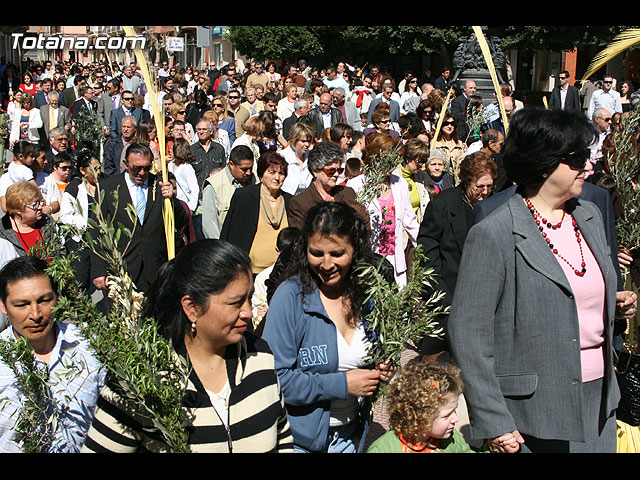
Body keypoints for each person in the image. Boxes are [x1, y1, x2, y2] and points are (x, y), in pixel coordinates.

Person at [448, 107, 638, 453]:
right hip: (532, 418)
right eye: (578, 157)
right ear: (544, 163)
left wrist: (611, 303)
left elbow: (569, 296)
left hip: (598, 404)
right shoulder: (495, 233)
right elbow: (468, 334)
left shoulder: (590, 216)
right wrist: (494, 421)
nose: (589, 166)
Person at [83, 239, 293, 453]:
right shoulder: (143, 377)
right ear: (191, 308)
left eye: (249, 299)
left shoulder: (260, 356)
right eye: (235, 303)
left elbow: (282, 437)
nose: (247, 312)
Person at [262, 201, 393, 453]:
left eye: (336, 253)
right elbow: (275, 379)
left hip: (350, 438)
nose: (325, 264)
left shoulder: (368, 296)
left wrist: (383, 371)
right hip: (297, 441)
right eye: (316, 253)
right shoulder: (290, 297)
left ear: (355, 250)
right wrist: (341, 385)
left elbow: (376, 356)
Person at [0, 255, 105, 453]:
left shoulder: (90, 343)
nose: (35, 314)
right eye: (21, 305)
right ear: (3, 306)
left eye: (44, 300)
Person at [416, 151, 498, 359]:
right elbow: (428, 245)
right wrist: (436, 288)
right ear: (466, 181)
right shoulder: (445, 203)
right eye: (480, 187)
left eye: (489, 186)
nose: (485, 192)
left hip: (484, 294)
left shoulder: (495, 204)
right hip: (449, 292)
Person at [90, 142, 187, 293]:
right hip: (122, 270)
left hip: (155, 269)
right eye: (137, 168)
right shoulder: (108, 188)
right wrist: (98, 270)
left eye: (146, 168)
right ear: (126, 164)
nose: (142, 173)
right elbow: (96, 230)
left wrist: (172, 200)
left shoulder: (160, 185)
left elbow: (180, 221)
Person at [347, 134, 420, 286]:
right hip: (368, 262)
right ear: (375, 157)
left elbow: (411, 223)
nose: (391, 164)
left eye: (394, 159)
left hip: (396, 262)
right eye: (387, 158)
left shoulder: (400, 185)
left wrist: (424, 249)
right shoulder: (355, 186)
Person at [367, 360, 479, 453]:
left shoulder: (450, 440)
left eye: (454, 411)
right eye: (447, 415)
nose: (456, 419)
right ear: (419, 417)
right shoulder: (384, 449)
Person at [220, 151, 291, 276]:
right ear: (261, 174)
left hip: (281, 273)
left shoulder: (289, 201)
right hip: (249, 273)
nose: (277, 178)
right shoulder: (245, 197)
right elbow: (231, 234)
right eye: (272, 172)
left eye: (281, 173)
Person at [288, 141, 357, 231]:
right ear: (315, 171)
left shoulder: (348, 193)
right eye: (331, 171)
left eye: (339, 170)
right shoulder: (300, 203)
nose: (336, 174)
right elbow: (300, 239)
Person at [59, 150, 101, 292]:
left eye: (99, 168)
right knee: (80, 280)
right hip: (81, 240)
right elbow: (65, 215)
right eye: (94, 169)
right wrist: (85, 223)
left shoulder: (105, 185)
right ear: (83, 171)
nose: (98, 172)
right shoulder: (74, 188)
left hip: (100, 240)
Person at [201, 145, 257, 239]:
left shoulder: (257, 178)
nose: (248, 172)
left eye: (250, 168)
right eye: (244, 169)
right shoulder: (213, 185)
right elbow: (209, 225)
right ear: (231, 164)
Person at [0, 181, 58, 258]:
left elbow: (60, 251)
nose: (40, 207)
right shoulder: (2, 232)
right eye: (34, 205)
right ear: (18, 209)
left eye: (39, 202)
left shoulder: (47, 221)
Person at [394, 138, 431, 223]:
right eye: (420, 161)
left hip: (418, 227)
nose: (422, 165)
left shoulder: (420, 176)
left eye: (425, 161)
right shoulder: (394, 177)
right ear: (408, 158)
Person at [280, 121, 315, 196]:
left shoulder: (312, 156)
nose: (307, 144)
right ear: (294, 139)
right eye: (303, 141)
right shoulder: (282, 157)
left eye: (309, 141)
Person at [168, 137, 199, 213]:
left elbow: (194, 188)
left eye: (172, 148)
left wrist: (191, 207)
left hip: (185, 203)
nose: (170, 151)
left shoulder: (187, 167)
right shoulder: (170, 165)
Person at [433, 112, 466, 178]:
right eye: (446, 124)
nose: (449, 126)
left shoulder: (459, 143)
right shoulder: (434, 143)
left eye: (452, 124)